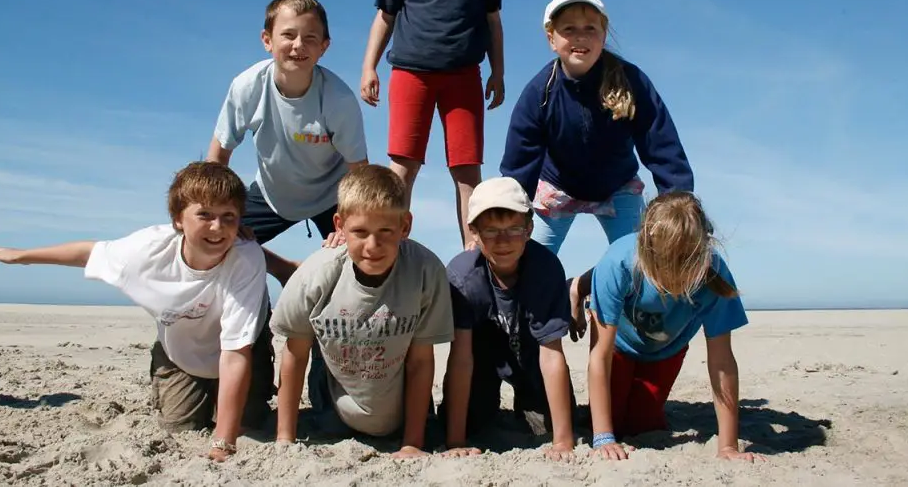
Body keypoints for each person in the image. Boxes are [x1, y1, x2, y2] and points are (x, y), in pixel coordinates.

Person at [0, 161, 273, 462]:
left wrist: (223, 443)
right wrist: (23, 256)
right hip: (181, 355)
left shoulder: (246, 257)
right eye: (205, 214)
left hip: (240, 353)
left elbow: (235, 352)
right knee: (180, 428)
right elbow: (90, 253)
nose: (217, 227)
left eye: (229, 217)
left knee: (247, 426)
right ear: (178, 220)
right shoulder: (148, 249)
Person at [500, 0, 693, 339]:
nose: (580, 37)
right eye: (569, 29)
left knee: (642, 263)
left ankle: (586, 291)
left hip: (616, 186)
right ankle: (527, 337)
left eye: (590, 28)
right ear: (551, 39)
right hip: (557, 187)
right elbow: (519, 163)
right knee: (524, 264)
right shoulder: (539, 93)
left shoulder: (631, 82)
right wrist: (507, 216)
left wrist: (678, 201)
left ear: (604, 35)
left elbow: (660, 143)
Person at [360, 0, 505, 245]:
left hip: (464, 76)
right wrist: (368, 66)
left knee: (467, 170)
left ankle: (473, 258)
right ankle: (389, 248)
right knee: (402, 166)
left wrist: (498, 72)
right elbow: (385, 17)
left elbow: (493, 21)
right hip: (412, 74)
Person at [269, 165, 454, 458]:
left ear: (405, 225)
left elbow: (420, 361)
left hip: (400, 412)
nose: (372, 245)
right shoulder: (315, 274)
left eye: (385, 231)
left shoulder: (425, 272)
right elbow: (294, 354)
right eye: (360, 232)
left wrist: (412, 443)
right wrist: (284, 438)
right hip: (332, 412)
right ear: (339, 226)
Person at [586, 191, 761, 462]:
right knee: (611, 424)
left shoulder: (713, 274)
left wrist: (727, 446)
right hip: (618, 346)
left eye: (686, 263)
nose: (675, 273)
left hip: (666, 349)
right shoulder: (618, 262)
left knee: (641, 425)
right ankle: (579, 285)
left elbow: (722, 361)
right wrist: (603, 438)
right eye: (665, 262)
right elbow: (599, 354)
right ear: (646, 248)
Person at [207, 0, 368, 285]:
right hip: (272, 194)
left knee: (365, 252)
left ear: (324, 47)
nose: (298, 45)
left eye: (310, 38)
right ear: (267, 40)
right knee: (211, 237)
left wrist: (349, 224)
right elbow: (217, 158)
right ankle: (279, 277)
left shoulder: (339, 99)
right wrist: (220, 214)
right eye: (288, 35)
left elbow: (361, 173)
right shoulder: (247, 87)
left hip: (330, 197)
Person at [442, 177, 576, 461]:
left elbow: (552, 355)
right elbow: (462, 358)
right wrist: (455, 440)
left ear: (529, 228)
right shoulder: (462, 277)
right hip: (482, 362)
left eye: (514, 229)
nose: (503, 242)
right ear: (474, 232)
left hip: (531, 359)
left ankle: (528, 403)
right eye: (491, 231)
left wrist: (563, 441)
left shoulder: (546, 270)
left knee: (546, 427)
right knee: (468, 423)